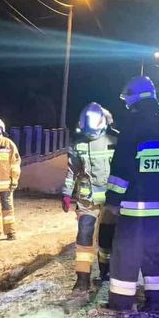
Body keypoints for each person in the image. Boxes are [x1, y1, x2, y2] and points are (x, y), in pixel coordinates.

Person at [105, 76, 159, 312]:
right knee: (154, 254)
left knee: (125, 254)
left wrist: (113, 200)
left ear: (135, 98)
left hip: (134, 208)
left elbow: (121, 171)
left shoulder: (133, 128)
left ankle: (121, 302)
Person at [63, 102, 117, 291]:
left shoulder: (114, 141)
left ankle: (105, 271)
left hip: (111, 201)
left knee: (106, 239)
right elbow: (72, 171)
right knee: (84, 235)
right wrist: (66, 193)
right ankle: (82, 279)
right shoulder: (78, 145)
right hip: (88, 200)